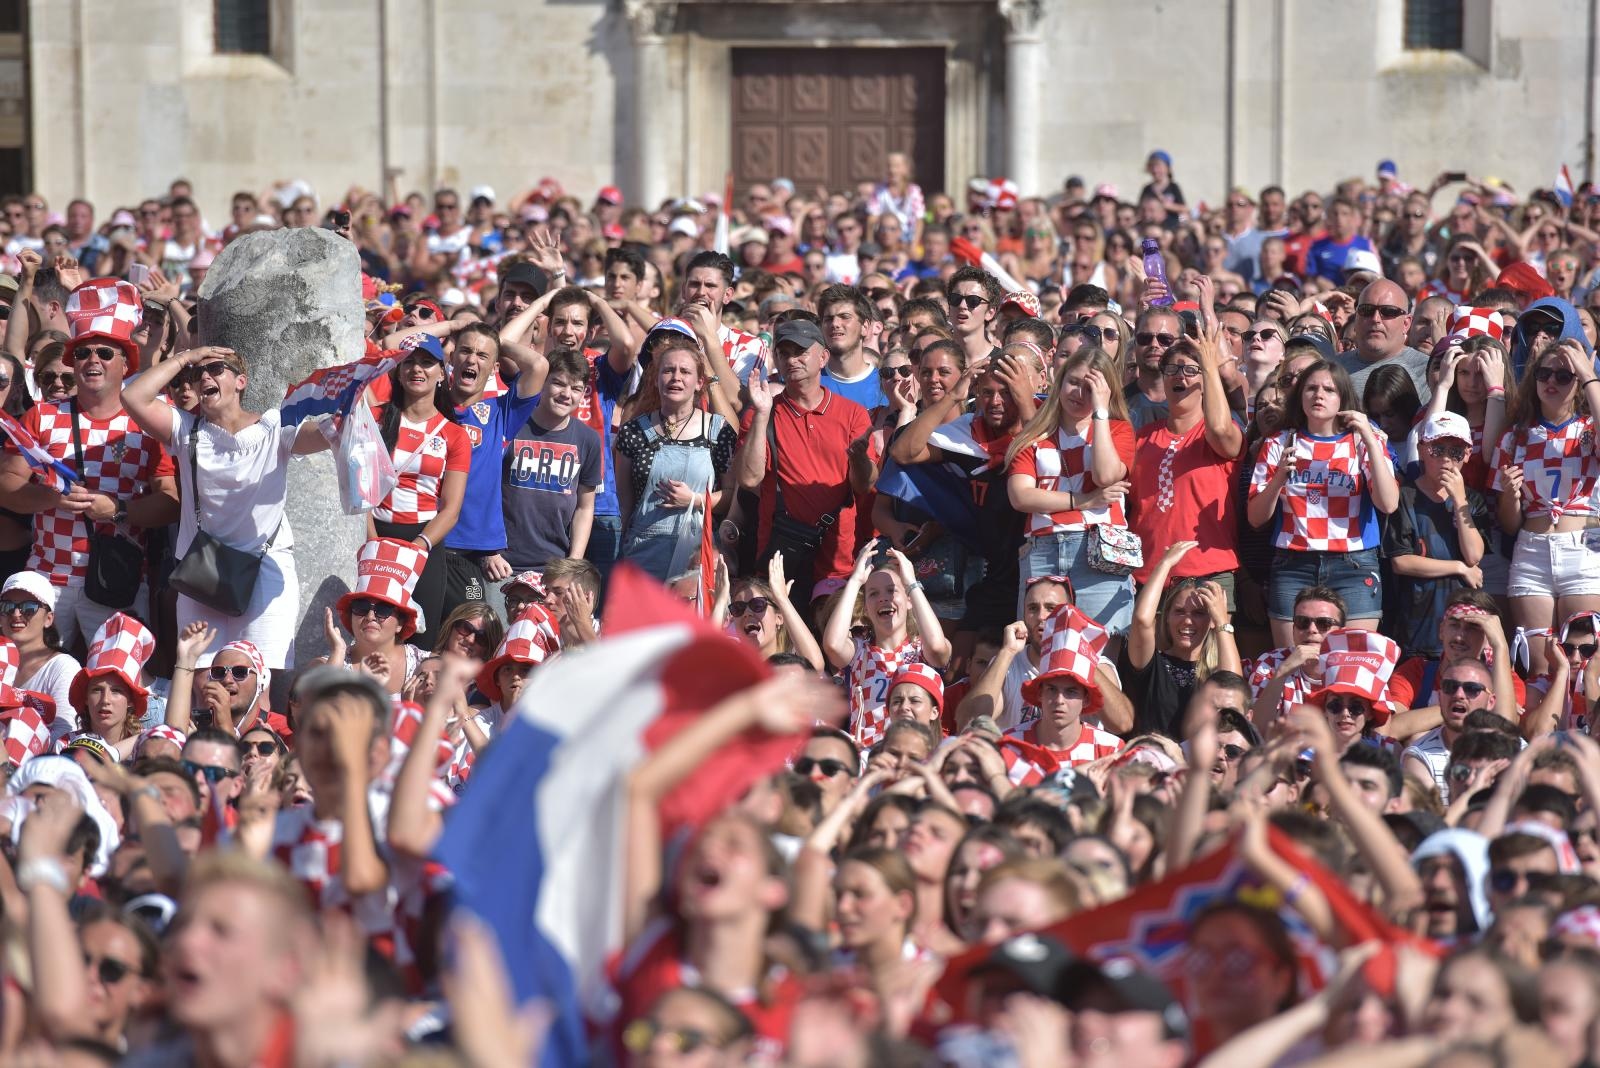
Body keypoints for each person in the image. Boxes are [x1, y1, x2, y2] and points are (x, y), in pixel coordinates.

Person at [122, 342, 335, 670]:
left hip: (265, 568)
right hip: (203, 572)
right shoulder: (186, 430)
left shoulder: (274, 427)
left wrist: (350, 408)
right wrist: (184, 357)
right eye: (197, 374)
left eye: (216, 369)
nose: (204, 376)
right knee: (203, 678)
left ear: (241, 382)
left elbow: (323, 434)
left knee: (258, 677)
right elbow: (132, 396)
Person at [0, 278, 178, 650]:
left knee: (119, 686)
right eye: (82, 353)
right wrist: (52, 499)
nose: (92, 360)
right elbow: (7, 486)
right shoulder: (42, 417)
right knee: (24, 677)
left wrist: (118, 510)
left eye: (104, 352)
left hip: (117, 577)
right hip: (47, 577)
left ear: (126, 363)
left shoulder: (149, 422)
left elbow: (170, 503)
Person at [1248, 358, 1400, 648]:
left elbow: (1388, 503)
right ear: (1299, 395)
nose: (1319, 395)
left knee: (1352, 663)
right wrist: (1279, 477)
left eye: (1329, 390)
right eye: (1311, 388)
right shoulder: (1278, 443)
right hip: (1293, 563)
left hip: (1353, 563)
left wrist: (1368, 437)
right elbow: (1256, 517)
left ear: (1343, 398)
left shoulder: (1363, 440)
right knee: (1292, 663)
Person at [1007, 346, 1136, 637]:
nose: (1079, 393)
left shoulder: (1118, 431)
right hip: (1042, 549)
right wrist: (1084, 500)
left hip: (1099, 551)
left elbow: (1105, 475)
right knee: (1040, 649)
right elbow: (1021, 496)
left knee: (1101, 651)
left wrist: (1101, 412)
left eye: (1091, 388)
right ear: (1060, 381)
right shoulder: (1033, 436)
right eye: (1074, 382)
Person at [736, 318, 870, 597]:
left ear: (823, 357)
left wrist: (858, 459)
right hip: (780, 559)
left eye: (800, 351)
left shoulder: (853, 413)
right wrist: (761, 414)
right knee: (782, 640)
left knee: (832, 640)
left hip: (836, 560)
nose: (791, 359)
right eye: (783, 353)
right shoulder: (761, 414)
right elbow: (749, 478)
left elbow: (864, 486)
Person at [1492, 338, 1600, 680]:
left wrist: (1587, 373)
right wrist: (1510, 496)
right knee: (1539, 669)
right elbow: (1509, 524)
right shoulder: (1513, 437)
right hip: (1531, 552)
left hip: (1583, 551)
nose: (1551, 381)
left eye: (1563, 376)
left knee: (1586, 666)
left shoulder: (1589, 428)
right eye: (1544, 373)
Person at [367, 334, 470, 648]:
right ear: (397, 371)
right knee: (369, 634)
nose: (417, 369)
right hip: (373, 531)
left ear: (442, 372)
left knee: (418, 641)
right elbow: (359, 488)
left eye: (427, 362)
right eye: (408, 361)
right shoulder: (375, 418)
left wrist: (420, 545)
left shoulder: (455, 435)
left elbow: (451, 508)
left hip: (424, 540)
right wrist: (371, 538)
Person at [1130, 327, 1245, 599]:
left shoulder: (1222, 432)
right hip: (1147, 574)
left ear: (1207, 381)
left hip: (1208, 572)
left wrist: (1209, 365)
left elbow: (1218, 429)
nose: (1180, 376)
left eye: (1191, 371)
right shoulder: (1143, 436)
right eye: (1171, 369)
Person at [615, 331, 737, 583]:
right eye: (668, 370)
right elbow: (624, 503)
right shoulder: (634, 431)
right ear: (657, 379)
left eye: (685, 371)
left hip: (696, 550)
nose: (676, 378)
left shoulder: (717, 430)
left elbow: (731, 495)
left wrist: (694, 499)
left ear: (699, 382)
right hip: (643, 552)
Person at [821, 541, 951, 748]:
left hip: (916, 754)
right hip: (869, 759)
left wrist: (911, 583)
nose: (883, 599)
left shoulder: (920, 650)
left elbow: (937, 648)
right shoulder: (859, 652)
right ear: (866, 607)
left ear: (909, 601)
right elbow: (833, 646)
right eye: (873, 594)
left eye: (892, 591)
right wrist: (855, 581)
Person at [1382, 412, 1490, 658]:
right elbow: (1401, 562)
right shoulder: (1403, 497)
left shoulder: (1472, 501)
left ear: (1467, 455)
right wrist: (1459, 568)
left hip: (1461, 630)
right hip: (1415, 627)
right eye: (1437, 449)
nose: (1446, 459)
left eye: (1455, 452)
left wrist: (1459, 500)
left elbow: (1473, 555)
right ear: (1421, 449)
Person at [501, 347, 602, 569]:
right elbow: (485, 492)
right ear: (542, 383)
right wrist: (489, 552)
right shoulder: (511, 425)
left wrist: (573, 561)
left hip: (553, 567)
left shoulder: (589, 440)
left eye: (576, 388)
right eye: (558, 383)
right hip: (501, 563)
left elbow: (585, 507)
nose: (567, 394)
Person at [1333, 278, 1433, 401]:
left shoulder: (1429, 371)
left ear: (1406, 324)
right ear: (1356, 318)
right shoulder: (1332, 368)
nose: (1375, 319)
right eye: (1366, 310)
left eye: (1388, 311)